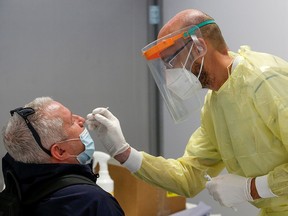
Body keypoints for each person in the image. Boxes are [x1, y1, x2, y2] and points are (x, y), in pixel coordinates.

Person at [86, 9, 288, 216]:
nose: (168, 75)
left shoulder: (266, 80)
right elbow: (189, 177)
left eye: (171, 61)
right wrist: (124, 152)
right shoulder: (217, 102)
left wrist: (251, 189)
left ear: (199, 46)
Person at [1, 97, 124, 216]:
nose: (81, 119)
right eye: (71, 121)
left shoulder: (17, 188)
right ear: (60, 151)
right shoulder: (94, 203)